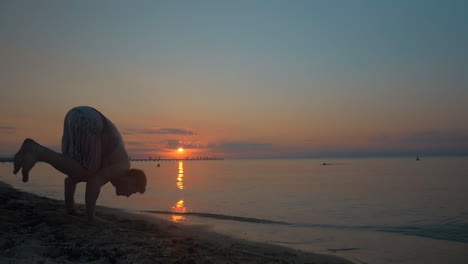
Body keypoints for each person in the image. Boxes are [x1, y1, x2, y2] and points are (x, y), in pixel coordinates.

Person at [13, 106, 147, 222]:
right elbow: (94, 183)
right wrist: (91, 218)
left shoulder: (108, 167)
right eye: (133, 191)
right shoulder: (123, 165)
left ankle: (69, 208)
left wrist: (70, 210)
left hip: (75, 115)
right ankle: (37, 151)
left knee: (78, 172)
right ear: (132, 178)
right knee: (87, 172)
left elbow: (71, 180)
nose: (129, 196)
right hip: (91, 121)